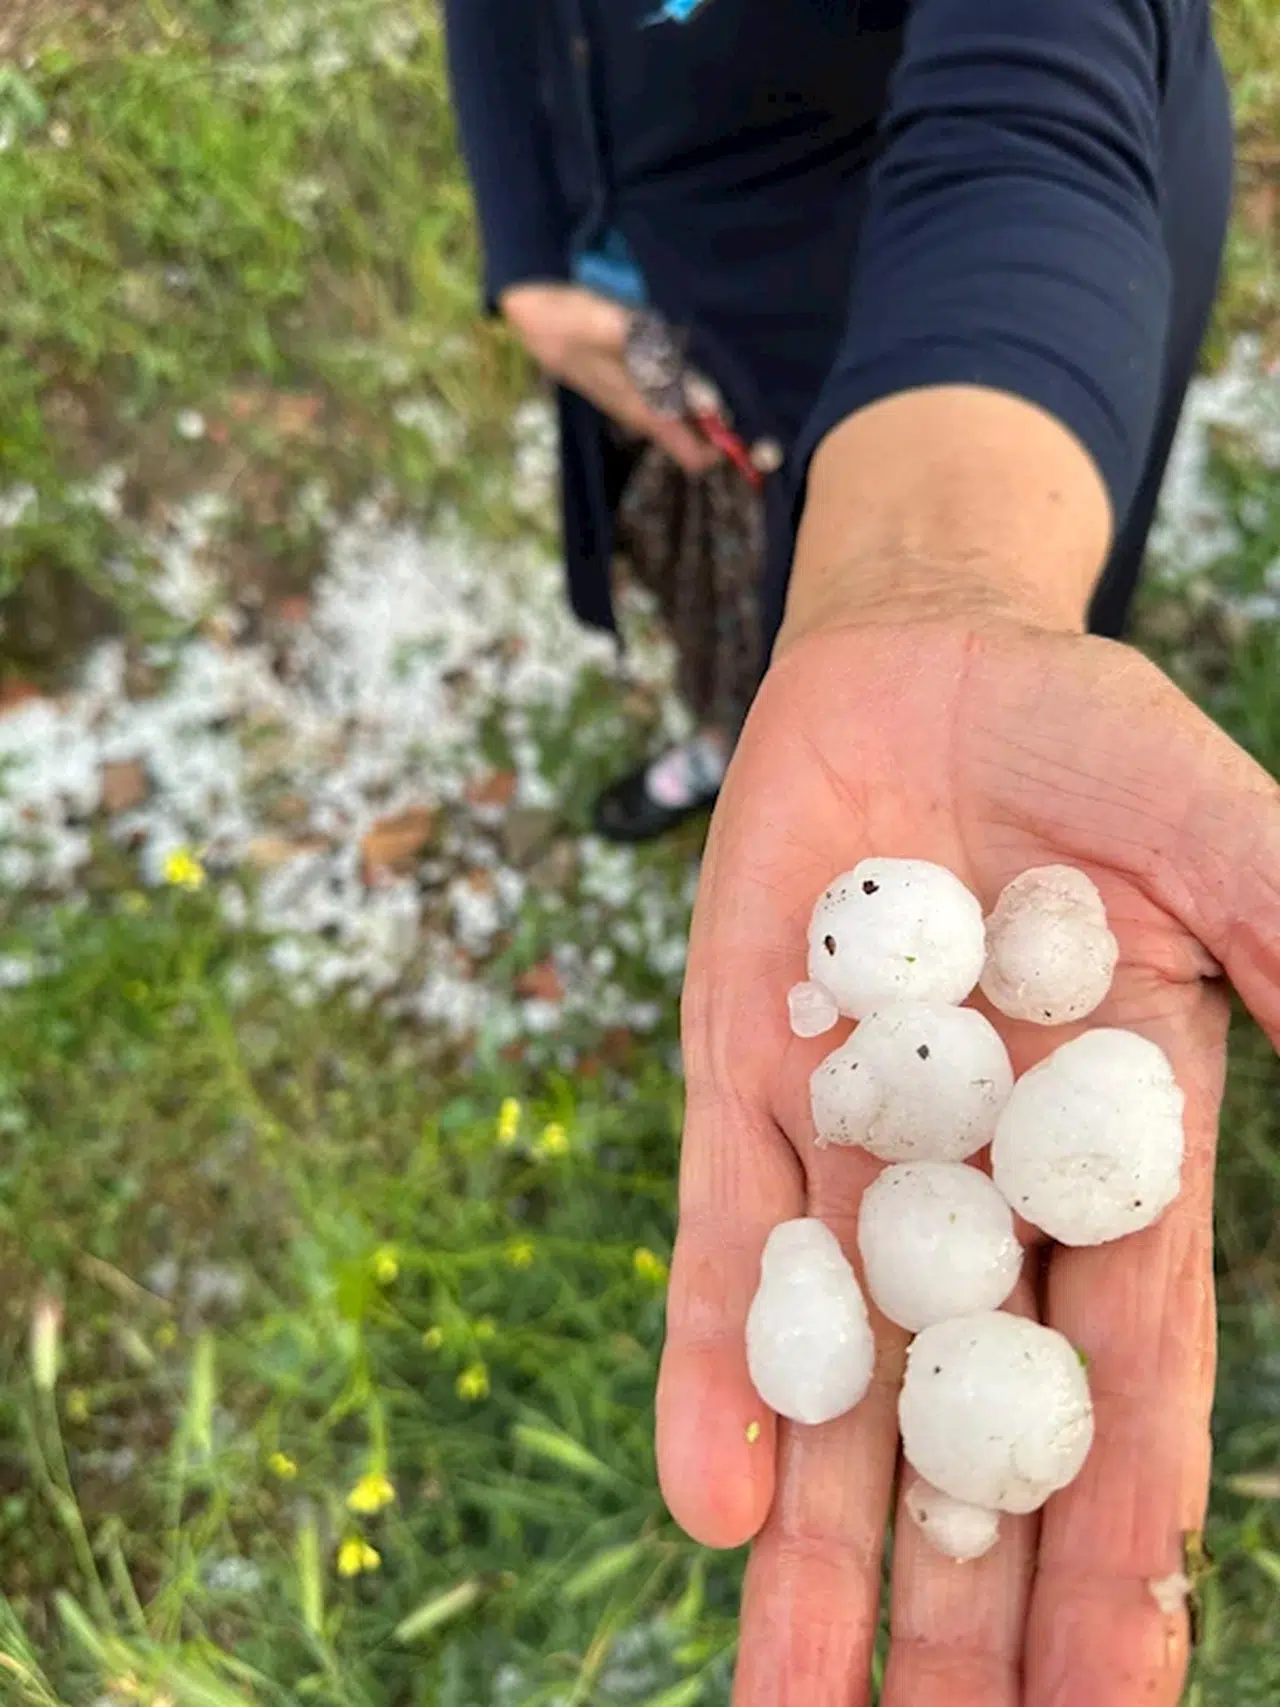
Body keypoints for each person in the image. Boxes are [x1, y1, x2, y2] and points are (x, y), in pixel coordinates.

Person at [444, 5, 1280, 1703]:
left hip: (987, 284)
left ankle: (858, 661)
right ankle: (728, 722)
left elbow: (1040, 72)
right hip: (668, 271)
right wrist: (530, 238)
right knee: (726, 599)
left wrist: (936, 579)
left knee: (916, 643)